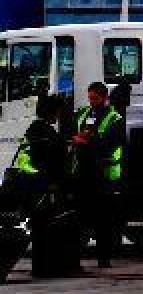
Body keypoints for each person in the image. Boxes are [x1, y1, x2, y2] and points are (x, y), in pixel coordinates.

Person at [12, 94, 80, 277]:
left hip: (30, 183)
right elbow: (52, 160)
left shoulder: (34, 129)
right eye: (58, 111)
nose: (59, 115)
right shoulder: (46, 133)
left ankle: (42, 267)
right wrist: (53, 183)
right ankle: (46, 267)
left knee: (40, 227)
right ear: (54, 111)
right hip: (42, 185)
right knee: (46, 226)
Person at [69, 82, 125, 269]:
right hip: (83, 174)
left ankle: (104, 258)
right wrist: (80, 139)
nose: (91, 102)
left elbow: (109, 141)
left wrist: (86, 140)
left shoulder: (114, 118)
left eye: (95, 98)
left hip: (104, 176)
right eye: (90, 98)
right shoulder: (83, 114)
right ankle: (75, 258)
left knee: (104, 220)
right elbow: (72, 134)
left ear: (104, 97)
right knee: (80, 218)